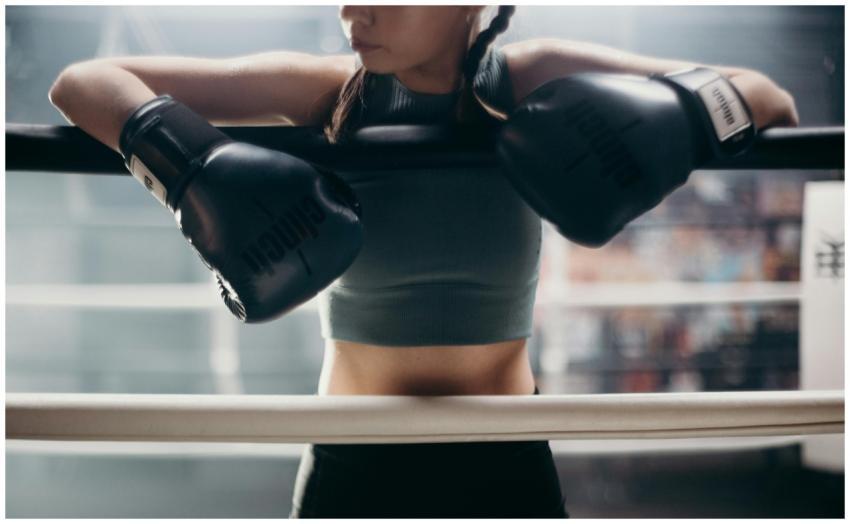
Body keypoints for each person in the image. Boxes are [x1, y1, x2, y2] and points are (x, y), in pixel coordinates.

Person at [48, 5, 799, 518]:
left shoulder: (527, 79)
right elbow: (82, 84)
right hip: (355, 446)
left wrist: (682, 121)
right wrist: (196, 165)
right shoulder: (326, 93)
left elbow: (767, 97)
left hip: (502, 443)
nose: (354, 10)